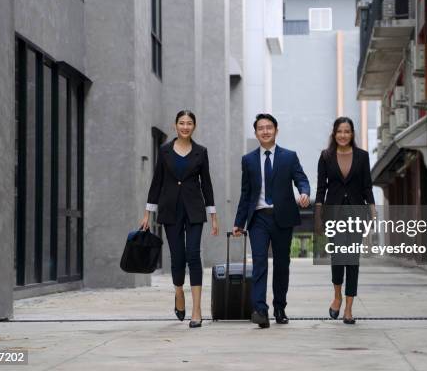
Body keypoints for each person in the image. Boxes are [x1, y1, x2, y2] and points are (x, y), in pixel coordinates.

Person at [139, 110, 218, 328]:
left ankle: (197, 310)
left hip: (194, 210)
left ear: (194, 126)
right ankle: (178, 293)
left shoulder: (201, 152)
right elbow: (157, 182)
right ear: (175, 126)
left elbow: (207, 184)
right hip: (170, 210)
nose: (185, 126)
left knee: (193, 254)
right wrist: (147, 213)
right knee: (177, 257)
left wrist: (213, 215)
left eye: (189, 123)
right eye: (181, 123)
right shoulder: (164, 151)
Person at [233, 113, 310, 328]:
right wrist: (239, 222)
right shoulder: (248, 160)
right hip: (258, 218)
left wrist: (304, 192)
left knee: (282, 264)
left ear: (276, 130)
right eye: (260, 128)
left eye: (269, 127)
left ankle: (279, 307)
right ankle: (260, 310)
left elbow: (301, 179)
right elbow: (245, 193)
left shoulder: (289, 157)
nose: (265, 131)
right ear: (255, 132)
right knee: (259, 263)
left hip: (282, 217)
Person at [315, 117, 376, 325]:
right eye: (340, 131)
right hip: (334, 213)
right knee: (338, 257)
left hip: (357, 212)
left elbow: (367, 185)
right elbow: (321, 189)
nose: (343, 135)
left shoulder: (362, 156)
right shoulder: (325, 157)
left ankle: (349, 308)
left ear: (352, 134)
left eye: (347, 131)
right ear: (334, 133)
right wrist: (319, 216)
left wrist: (373, 210)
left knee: (352, 260)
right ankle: (337, 296)